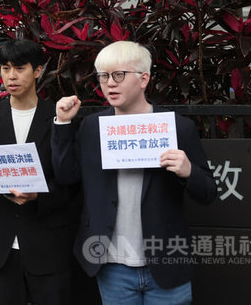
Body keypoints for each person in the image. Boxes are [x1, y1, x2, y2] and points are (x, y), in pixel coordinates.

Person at [51, 40, 216, 304]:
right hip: (111, 263)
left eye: (119, 75)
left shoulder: (177, 128)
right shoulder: (92, 128)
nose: (110, 83)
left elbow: (208, 192)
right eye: (104, 76)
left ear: (143, 79)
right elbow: (66, 176)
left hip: (166, 263)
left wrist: (188, 171)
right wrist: (62, 124)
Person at [0, 39, 81, 305]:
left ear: (38, 70)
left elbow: (69, 180)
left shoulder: (57, 115)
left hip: (46, 241)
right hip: (0, 243)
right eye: (5, 68)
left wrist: (38, 197)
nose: (11, 75)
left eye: (20, 68)